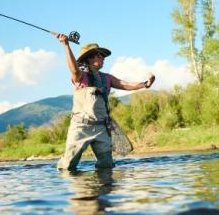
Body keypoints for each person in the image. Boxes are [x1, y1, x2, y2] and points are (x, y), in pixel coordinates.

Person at [54, 33, 155, 171]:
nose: (103, 58)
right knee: (69, 166)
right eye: (99, 55)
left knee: (107, 166)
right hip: (80, 128)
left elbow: (124, 84)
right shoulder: (80, 77)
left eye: (103, 56)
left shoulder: (107, 78)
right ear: (89, 59)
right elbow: (73, 69)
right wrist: (66, 45)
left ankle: (104, 189)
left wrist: (145, 84)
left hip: (102, 127)